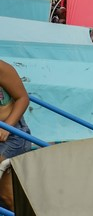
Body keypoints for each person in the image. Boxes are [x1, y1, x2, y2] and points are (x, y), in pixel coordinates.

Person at [0, 60, 31, 210]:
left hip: (12, 134)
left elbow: (23, 98)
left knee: (7, 196)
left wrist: (7, 127)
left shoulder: (1, 68)